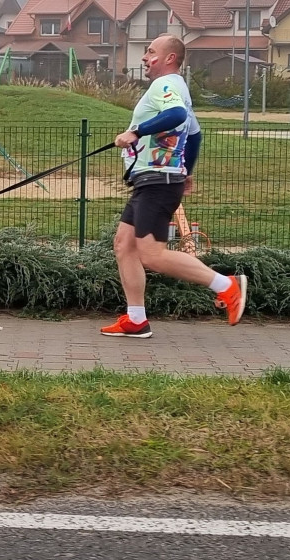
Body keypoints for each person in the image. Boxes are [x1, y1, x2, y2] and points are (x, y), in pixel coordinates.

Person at [101, 34, 246, 338]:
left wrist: (136, 132)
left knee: (151, 253)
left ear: (170, 58)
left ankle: (227, 286)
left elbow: (178, 116)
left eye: (151, 52)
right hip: (155, 179)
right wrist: (187, 170)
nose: (145, 57)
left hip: (158, 181)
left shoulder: (165, 85)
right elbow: (194, 134)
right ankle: (136, 319)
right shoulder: (179, 89)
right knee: (124, 245)